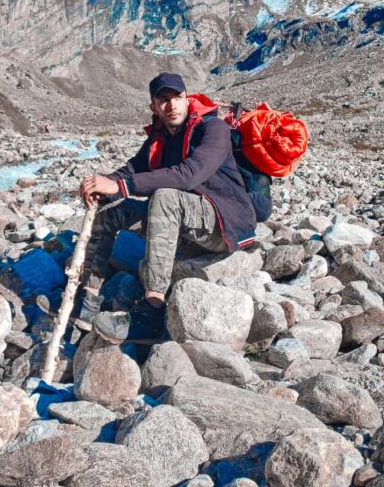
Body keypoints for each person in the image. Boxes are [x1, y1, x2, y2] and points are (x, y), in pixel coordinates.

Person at [76, 72, 257, 343]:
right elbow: (133, 169)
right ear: (154, 107)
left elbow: (189, 175)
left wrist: (121, 186)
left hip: (225, 223)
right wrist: (103, 184)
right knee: (111, 209)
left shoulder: (213, 129)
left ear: (187, 99)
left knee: (164, 197)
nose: (171, 105)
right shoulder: (160, 137)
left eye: (177, 97)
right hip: (185, 221)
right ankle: (88, 301)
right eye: (163, 100)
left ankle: (151, 311)